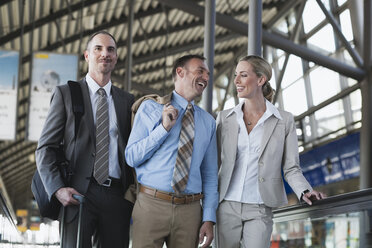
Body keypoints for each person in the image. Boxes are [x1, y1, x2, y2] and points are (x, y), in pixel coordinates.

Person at [35, 31, 134, 248]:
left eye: (110, 49)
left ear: (116, 57)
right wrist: (57, 189)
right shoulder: (67, 94)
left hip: (117, 195)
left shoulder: (127, 101)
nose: (105, 54)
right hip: (77, 194)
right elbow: (45, 148)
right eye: (98, 48)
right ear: (87, 55)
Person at [215, 55, 325, 248]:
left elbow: (291, 167)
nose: (236, 81)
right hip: (225, 205)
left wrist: (305, 191)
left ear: (260, 79)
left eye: (243, 75)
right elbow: (213, 164)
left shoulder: (284, 120)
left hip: (260, 207)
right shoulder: (225, 119)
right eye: (235, 75)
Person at [125, 54, 218, 248]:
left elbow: (209, 175)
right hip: (151, 204)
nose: (206, 78)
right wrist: (163, 129)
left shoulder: (208, 122)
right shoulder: (150, 108)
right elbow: (131, 157)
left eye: (208, 74)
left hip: (190, 211)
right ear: (180, 72)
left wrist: (209, 218)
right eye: (200, 71)